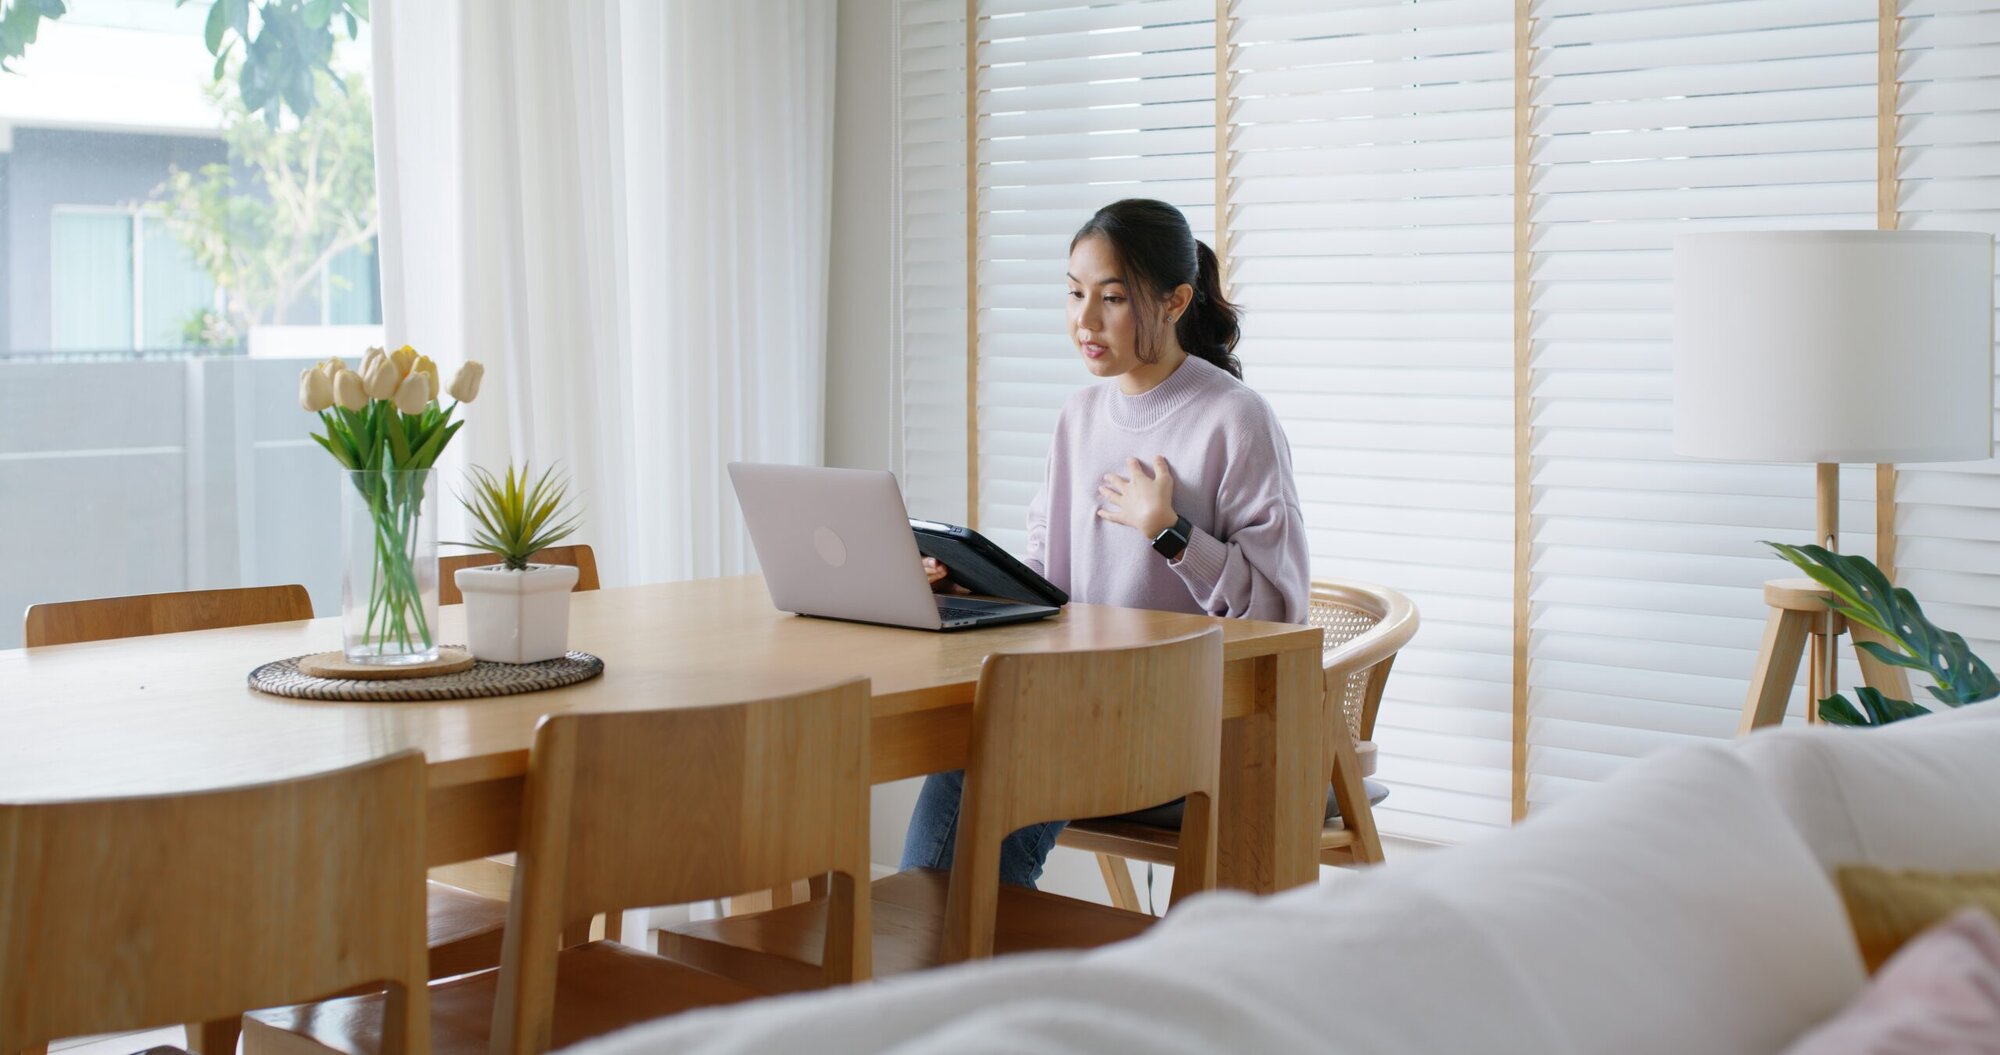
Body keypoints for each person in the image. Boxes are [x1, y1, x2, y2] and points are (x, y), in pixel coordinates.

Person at [902, 198, 1311, 888]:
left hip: (1179, 717)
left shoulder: (1236, 420)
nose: (1084, 321)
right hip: (1080, 697)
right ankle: (954, 955)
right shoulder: (1079, 415)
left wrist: (1173, 534)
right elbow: (1049, 571)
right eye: (1074, 293)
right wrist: (970, 582)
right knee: (976, 738)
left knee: (1000, 747)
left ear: (1176, 300)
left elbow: (1279, 610)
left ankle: (957, 962)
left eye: (1112, 298)